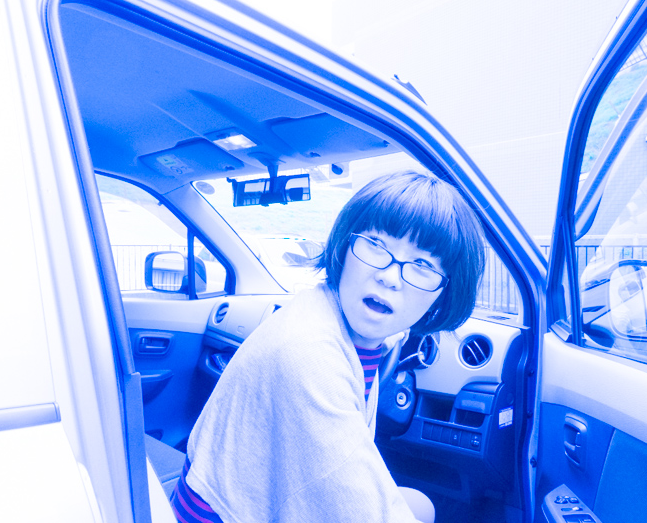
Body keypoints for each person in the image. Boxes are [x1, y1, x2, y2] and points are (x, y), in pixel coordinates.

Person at [171, 170, 485, 522]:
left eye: (422, 265)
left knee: (419, 505)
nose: (389, 276)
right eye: (376, 244)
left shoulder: (338, 319)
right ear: (345, 247)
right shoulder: (312, 356)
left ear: (444, 291)